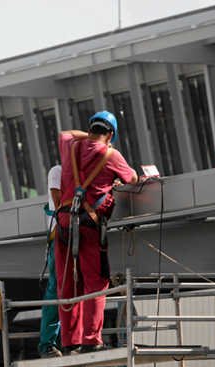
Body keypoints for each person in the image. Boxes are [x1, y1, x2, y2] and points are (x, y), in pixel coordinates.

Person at [55, 111, 138, 353]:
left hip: (62, 222)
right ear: (111, 134)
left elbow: (65, 133)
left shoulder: (72, 146)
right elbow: (132, 178)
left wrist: (88, 135)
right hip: (88, 224)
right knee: (95, 282)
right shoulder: (110, 154)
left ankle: (70, 341)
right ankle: (91, 340)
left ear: (90, 129)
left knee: (68, 282)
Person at [38, 165, 62, 358]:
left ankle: (78, 340)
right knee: (56, 289)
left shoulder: (84, 173)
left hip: (78, 237)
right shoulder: (58, 171)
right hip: (60, 238)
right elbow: (58, 200)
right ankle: (47, 343)